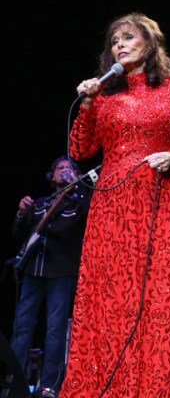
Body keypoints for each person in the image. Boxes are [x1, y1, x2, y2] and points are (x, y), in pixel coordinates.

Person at [60, 13, 170, 397]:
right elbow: (79, 150)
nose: (120, 45)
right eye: (114, 41)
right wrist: (88, 104)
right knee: (112, 300)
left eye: (129, 37)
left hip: (162, 202)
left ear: (150, 43)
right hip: (113, 207)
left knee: (162, 296)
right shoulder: (105, 98)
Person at [11, 156, 89, 398]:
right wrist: (21, 214)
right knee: (22, 327)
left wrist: (79, 186)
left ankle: (49, 386)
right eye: (60, 168)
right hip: (33, 271)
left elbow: (88, 221)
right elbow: (18, 236)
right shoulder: (40, 203)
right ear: (52, 175)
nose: (64, 171)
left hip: (61, 272)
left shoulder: (79, 203)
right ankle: (15, 380)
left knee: (55, 329)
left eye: (70, 168)